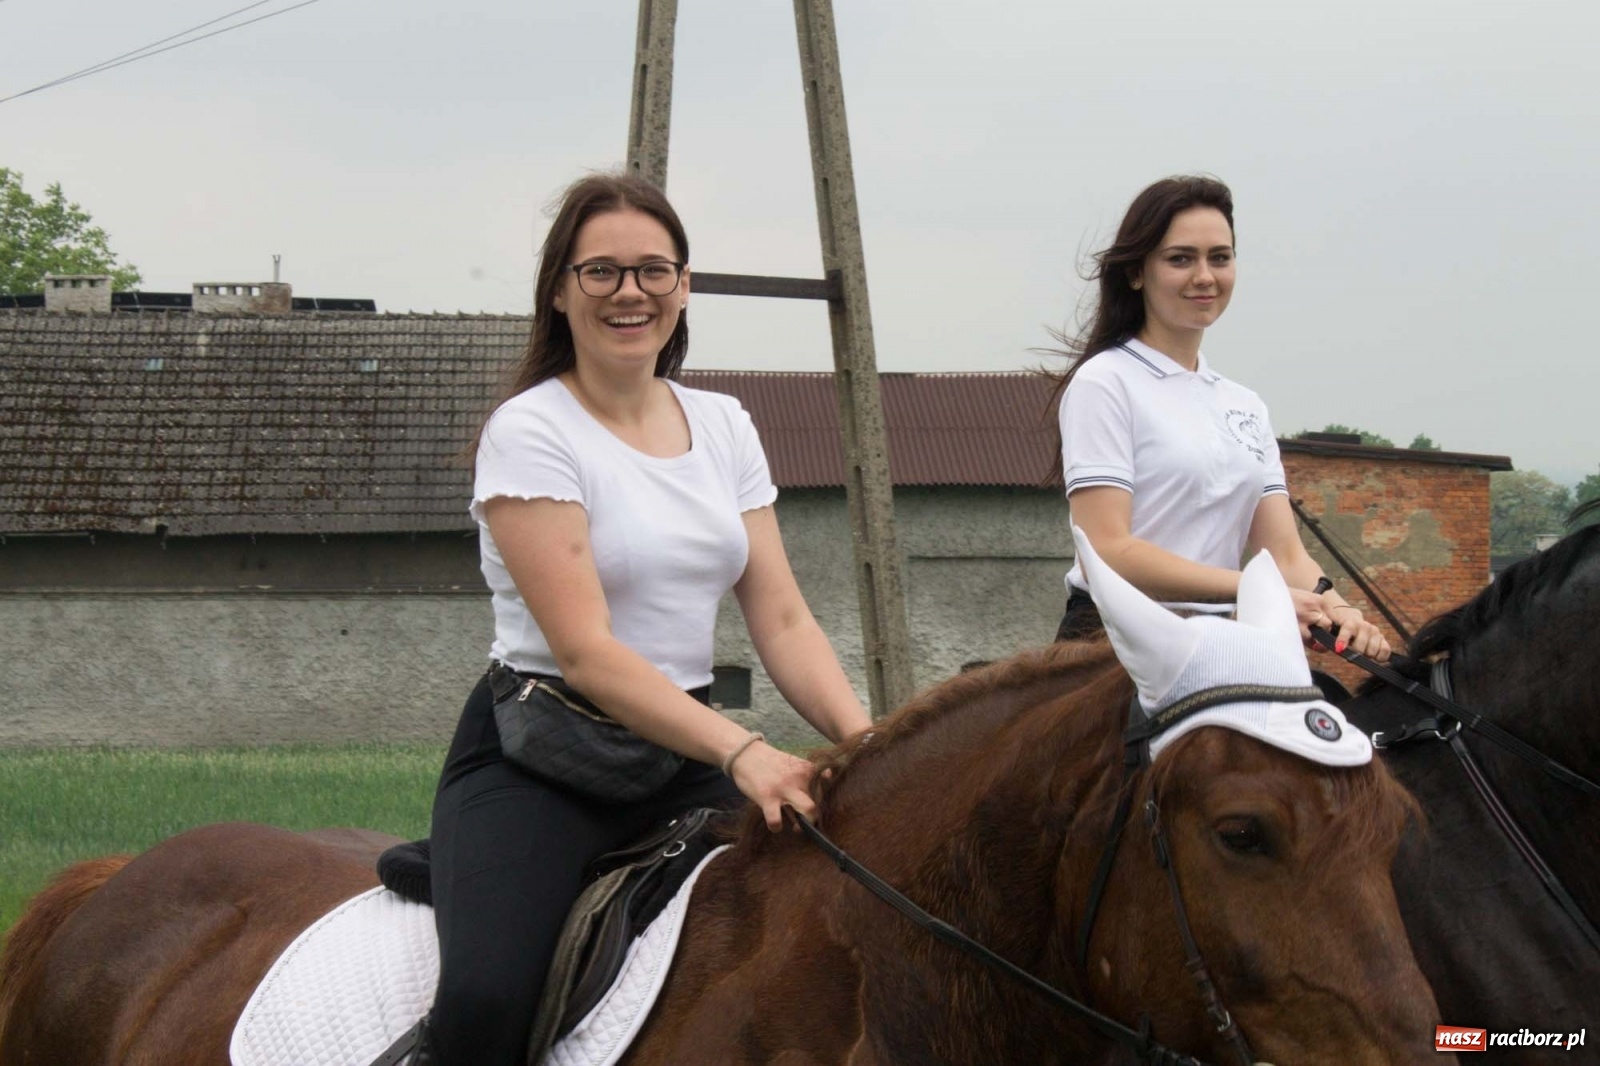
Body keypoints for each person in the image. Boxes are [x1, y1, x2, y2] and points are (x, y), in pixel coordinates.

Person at [422, 172, 872, 1066]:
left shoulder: (725, 424)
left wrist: (870, 745)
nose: (630, 292)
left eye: (653, 270)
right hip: (542, 757)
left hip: (681, 755)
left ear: (684, 285)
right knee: (485, 999)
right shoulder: (530, 431)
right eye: (601, 271)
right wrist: (745, 752)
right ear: (560, 290)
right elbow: (586, 653)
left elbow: (783, 619)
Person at [1050, 175, 1391, 662]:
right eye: (1180, 259)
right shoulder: (1104, 382)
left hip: (1216, 642)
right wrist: (1253, 591)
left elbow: (1286, 554)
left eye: (1220, 257)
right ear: (1136, 273)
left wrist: (1340, 610)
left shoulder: (1244, 404)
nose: (1205, 276)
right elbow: (1108, 550)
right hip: (1111, 646)